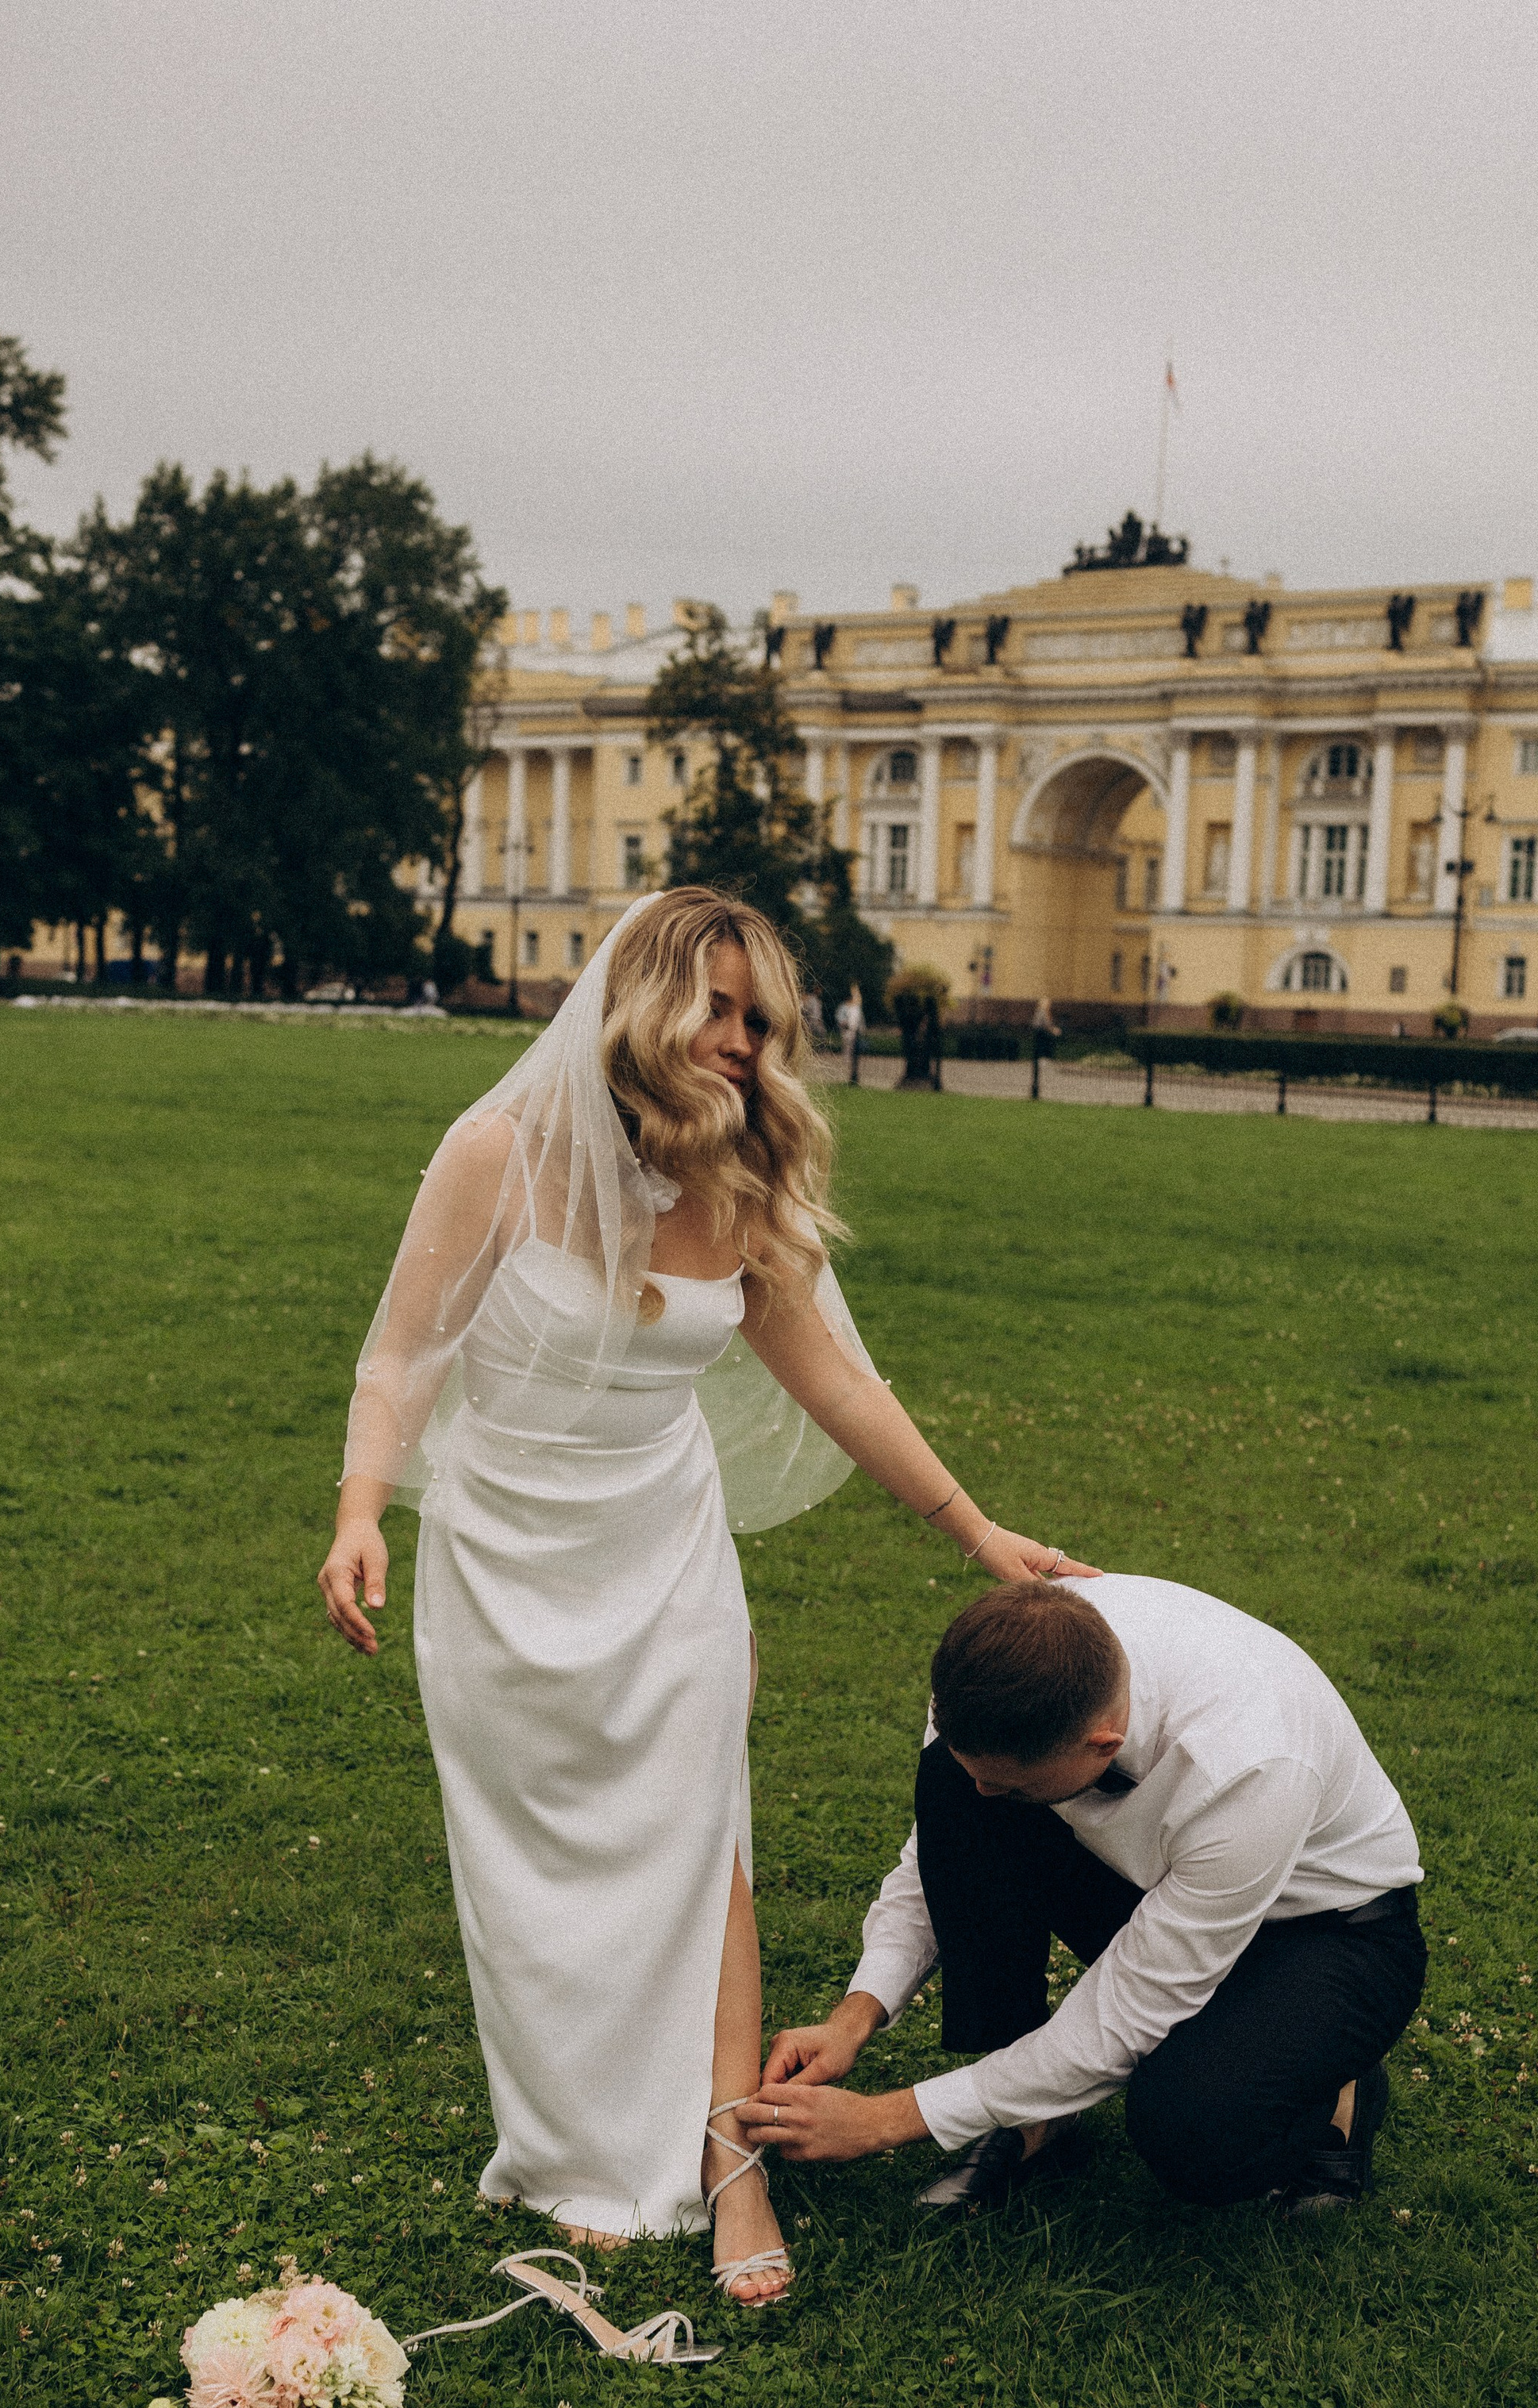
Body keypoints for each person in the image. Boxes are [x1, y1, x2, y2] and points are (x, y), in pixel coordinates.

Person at [317, 887, 1089, 2306]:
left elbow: (842, 1382)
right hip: (501, 1560)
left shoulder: (739, 1185)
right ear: (642, 1002)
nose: (742, 1042)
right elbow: (401, 1358)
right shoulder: (496, 1153)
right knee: (534, 1874)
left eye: (759, 1019)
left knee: (704, 1839)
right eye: (718, 1009)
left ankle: (730, 2160)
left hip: (665, 1553)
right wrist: (363, 1508)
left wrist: (977, 1529)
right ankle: (570, 2147)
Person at [745, 1576, 1425, 2216]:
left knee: (1193, 2129)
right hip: (1163, 1881)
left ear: (1102, 1741)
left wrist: (882, 2121)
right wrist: (853, 2017)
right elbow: (941, 1856)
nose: (989, 1799)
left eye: (1011, 1787)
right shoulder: (997, 1676)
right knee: (957, 1793)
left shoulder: (1247, 1763)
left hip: (1327, 1931)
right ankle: (1036, 2117)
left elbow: (1123, 2019)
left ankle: (1340, 2087)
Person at [835, 983, 865, 1084]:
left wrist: (861, 1029)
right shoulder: (844, 1007)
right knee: (847, 1044)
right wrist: (844, 1023)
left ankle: (851, 1061)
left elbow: (860, 1019)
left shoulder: (856, 1008)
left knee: (854, 1046)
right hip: (847, 1030)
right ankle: (846, 1059)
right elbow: (839, 1018)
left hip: (854, 1030)